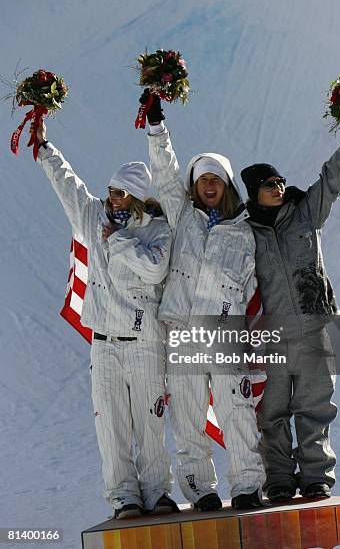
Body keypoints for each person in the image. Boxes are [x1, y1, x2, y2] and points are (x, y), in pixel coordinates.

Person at [32, 120, 178, 519]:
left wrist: (120, 243)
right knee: (111, 424)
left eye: (121, 192)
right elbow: (69, 185)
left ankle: (157, 492)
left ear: (137, 197)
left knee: (150, 420)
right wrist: (45, 148)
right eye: (112, 190)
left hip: (146, 341)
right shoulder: (93, 216)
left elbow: (155, 270)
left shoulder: (157, 229)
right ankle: (123, 496)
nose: (112, 198)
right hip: (104, 342)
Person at [240, 119, 340, 502]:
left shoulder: (305, 215)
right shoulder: (243, 232)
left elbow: (332, 177)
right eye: (270, 184)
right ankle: (280, 480)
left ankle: (317, 477)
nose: (279, 188)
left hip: (316, 327)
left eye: (280, 181)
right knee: (272, 415)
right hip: (271, 337)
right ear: (254, 191)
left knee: (316, 408)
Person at [140, 91, 265, 511]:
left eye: (216, 180)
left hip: (225, 332)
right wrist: (157, 126)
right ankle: (201, 489)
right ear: (194, 187)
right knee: (188, 417)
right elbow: (164, 172)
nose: (209, 186)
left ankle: (248, 485)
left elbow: (253, 285)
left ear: (227, 186)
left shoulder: (246, 230)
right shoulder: (183, 217)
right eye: (202, 180)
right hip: (184, 330)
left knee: (237, 410)